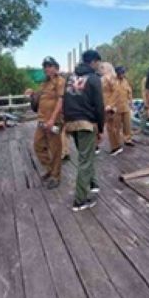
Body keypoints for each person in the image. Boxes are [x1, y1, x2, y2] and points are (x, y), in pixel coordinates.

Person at [63, 49, 104, 211]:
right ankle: (79, 200)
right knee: (85, 161)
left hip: (71, 122)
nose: (99, 66)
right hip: (86, 123)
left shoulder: (70, 78)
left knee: (85, 155)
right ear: (93, 61)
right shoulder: (94, 79)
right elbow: (99, 106)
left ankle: (93, 183)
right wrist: (100, 127)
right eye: (98, 62)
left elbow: (65, 99)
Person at [25, 56, 65, 189]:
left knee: (55, 149)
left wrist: (53, 119)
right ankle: (50, 169)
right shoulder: (44, 83)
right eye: (45, 66)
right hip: (41, 121)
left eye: (49, 66)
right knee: (38, 146)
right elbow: (38, 98)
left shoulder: (60, 81)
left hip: (54, 121)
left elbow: (61, 101)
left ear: (56, 67)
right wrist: (32, 93)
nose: (46, 69)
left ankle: (55, 176)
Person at [99, 62, 123, 156]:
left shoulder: (110, 78)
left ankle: (116, 146)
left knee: (112, 127)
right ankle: (115, 146)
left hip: (110, 106)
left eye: (102, 68)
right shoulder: (104, 78)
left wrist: (111, 105)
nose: (100, 70)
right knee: (110, 127)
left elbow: (116, 91)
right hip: (105, 105)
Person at [115, 66, 135, 146]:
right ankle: (116, 141)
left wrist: (131, 102)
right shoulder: (113, 81)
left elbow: (129, 92)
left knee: (127, 125)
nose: (123, 74)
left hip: (125, 106)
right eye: (121, 73)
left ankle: (128, 139)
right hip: (116, 107)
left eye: (123, 73)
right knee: (116, 125)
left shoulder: (125, 81)